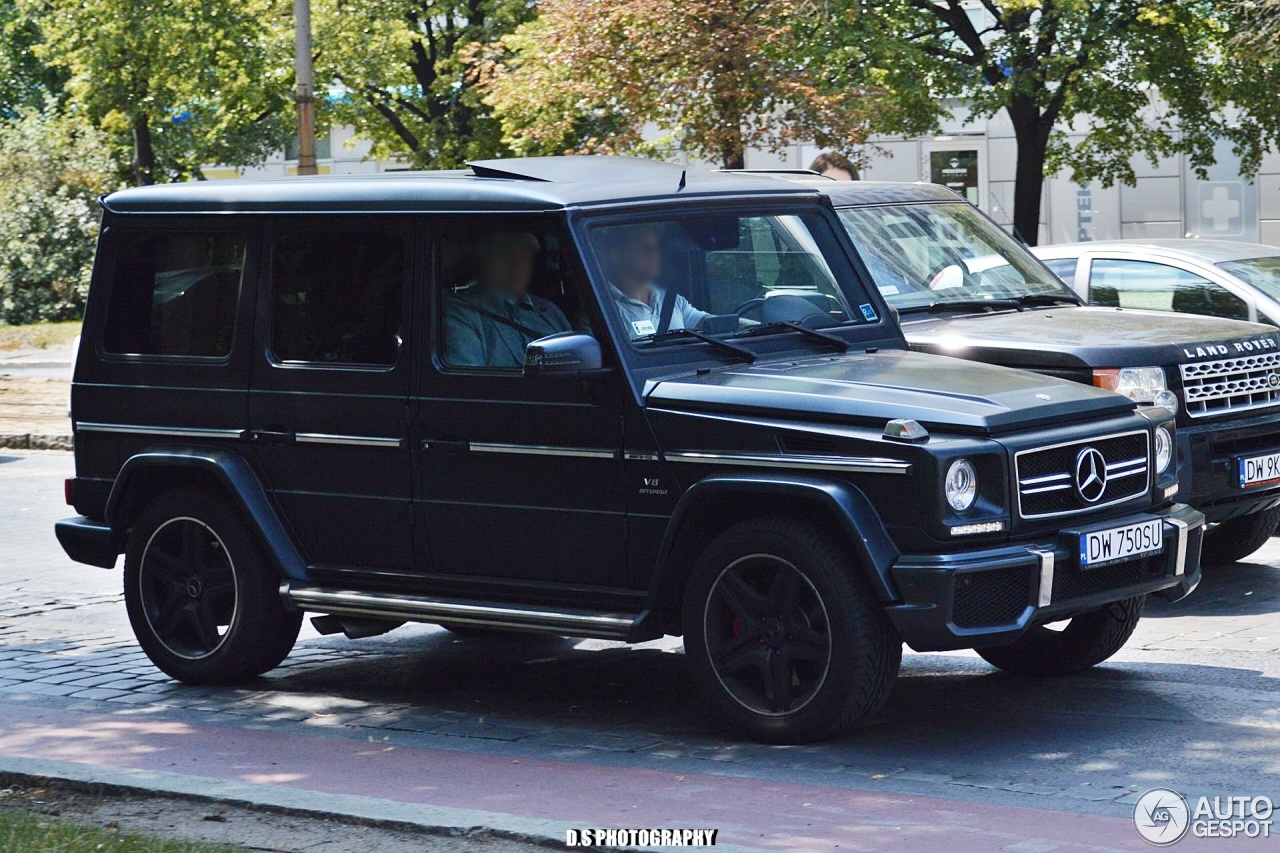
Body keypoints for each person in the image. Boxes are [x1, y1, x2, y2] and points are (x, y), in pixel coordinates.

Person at [444, 232, 572, 368]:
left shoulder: (549, 310)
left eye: (523, 259)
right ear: (487, 262)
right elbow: (465, 382)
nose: (515, 266)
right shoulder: (461, 310)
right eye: (505, 257)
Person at [602, 224, 709, 339]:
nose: (655, 255)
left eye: (656, 249)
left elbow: (712, 323)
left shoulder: (672, 300)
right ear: (617, 255)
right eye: (646, 249)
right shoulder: (602, 309)